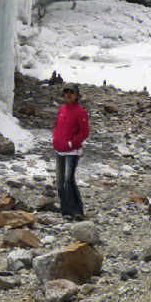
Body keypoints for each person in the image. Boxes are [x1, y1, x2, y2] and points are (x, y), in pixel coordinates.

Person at [52, 84, 90, 219]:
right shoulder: (62, 109)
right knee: (60, 181)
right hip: (60, 150)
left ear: (77, 95)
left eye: (71, 92)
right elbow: (57, 125)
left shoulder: (81, 112)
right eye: (66, 92)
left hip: (72, 152)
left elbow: (85, 132)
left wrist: (72, 143)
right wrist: (54, 138)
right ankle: (65, 210)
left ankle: (77, 210)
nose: (68, 94)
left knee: (68, 180)